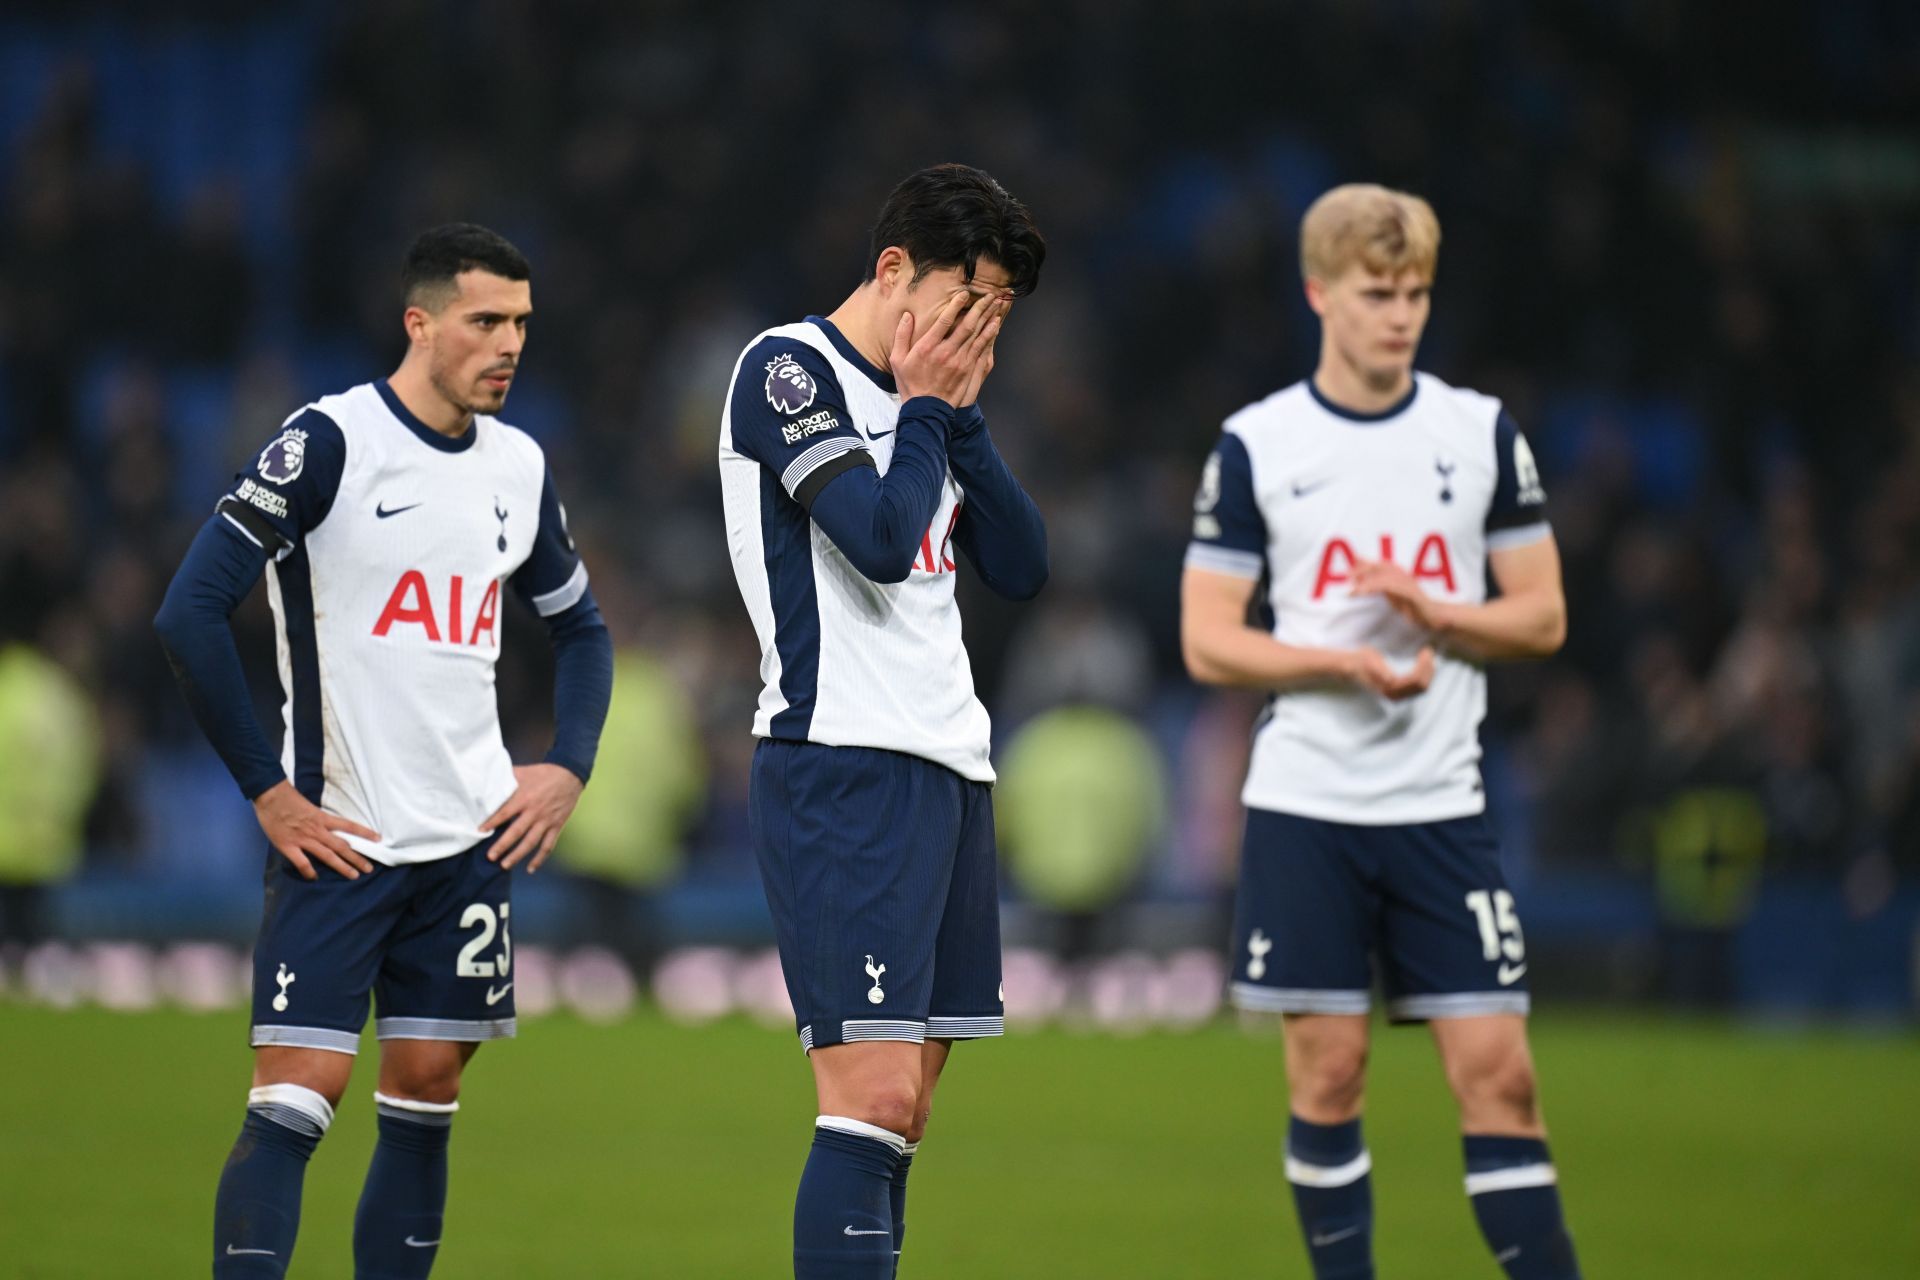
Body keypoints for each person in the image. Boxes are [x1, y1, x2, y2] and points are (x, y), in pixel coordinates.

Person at [154, 223, 613, 1279]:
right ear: (420, 322)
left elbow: (582, 628)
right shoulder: (329, 442)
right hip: (343, 840)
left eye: (522, 325)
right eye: (484, 321)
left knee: (422, 1101)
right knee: (293, 1102)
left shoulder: (520, 465)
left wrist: (568, 760)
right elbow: (189, 612)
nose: (509, 345)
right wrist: (271, 794)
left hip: (469, 846)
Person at [1180, 184, 1582, 1280]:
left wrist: (1436, 614)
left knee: (1500, 1073)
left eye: (1415, 294)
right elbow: (1209, 640)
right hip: (1307, 803)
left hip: (1441, 805)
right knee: (1330, 1076)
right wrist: (1341, 660)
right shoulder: (1258, 445)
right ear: (1320, 293)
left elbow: (1542, 614)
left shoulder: (1480, 431)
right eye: (1375, 292)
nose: (1400, 314)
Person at [717, 163, 1047, 1278]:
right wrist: (921, 412)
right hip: (839, 758)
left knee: (906, 1117)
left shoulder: (935, 404)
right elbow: (878, 536)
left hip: (952, 760)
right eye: (968, 301)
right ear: (895, 268)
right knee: (873, 1095)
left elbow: (1023, 562)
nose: (975, 330)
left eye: (997, 315)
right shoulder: (785, 369)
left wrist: (959, 419)